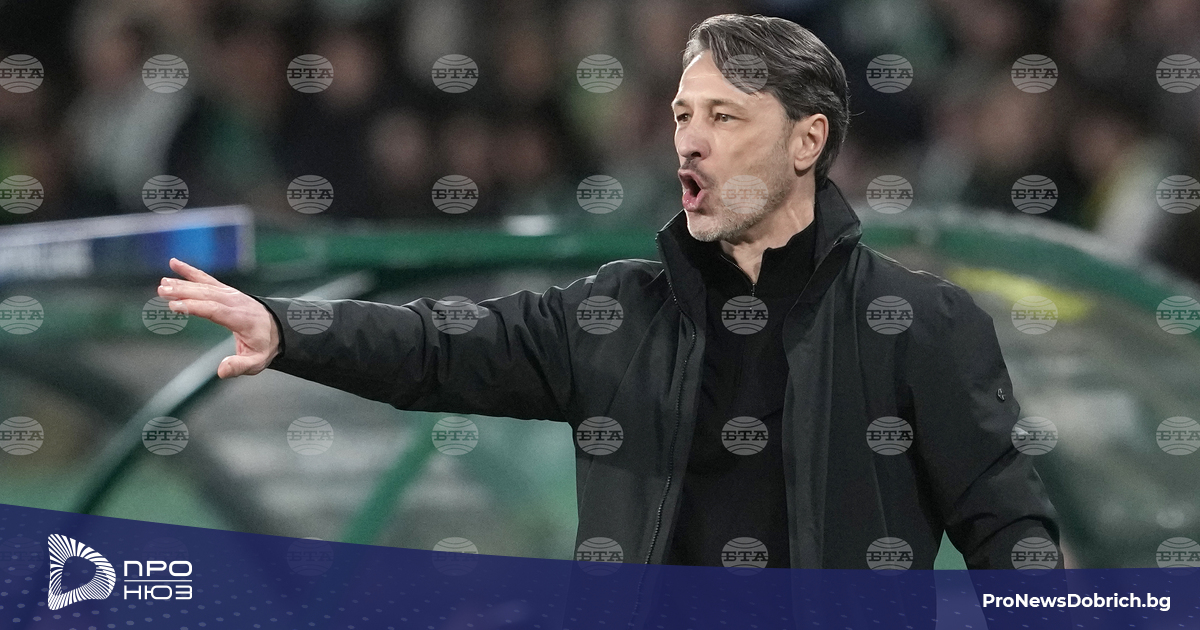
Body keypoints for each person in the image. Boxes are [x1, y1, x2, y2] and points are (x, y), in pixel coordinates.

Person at [158, 14, 1060, 570]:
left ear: (807, 141)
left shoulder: (919, 324)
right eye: (682, 116)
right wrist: (285, 327)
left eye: (724, 117)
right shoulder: (615, 315)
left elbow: (1012, 538)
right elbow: (439, 345)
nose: (690, 141)